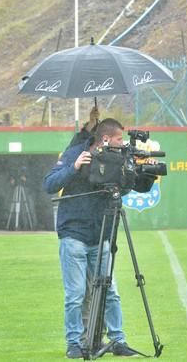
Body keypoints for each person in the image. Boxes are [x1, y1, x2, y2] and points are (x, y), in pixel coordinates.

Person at [43, 118, 149, 359]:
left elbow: (123, 189)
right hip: (74, 234)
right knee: (76, 294)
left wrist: (138, 173)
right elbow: (49, 184)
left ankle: (118, 340)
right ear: (105, 139)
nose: (122, 144)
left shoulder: (118, 159)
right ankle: (74, 343)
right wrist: (75, 167)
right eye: (119, 139)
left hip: (101, 233)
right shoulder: (75, 153)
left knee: (110, 290)